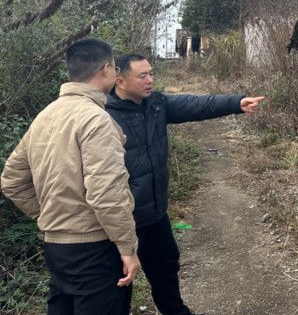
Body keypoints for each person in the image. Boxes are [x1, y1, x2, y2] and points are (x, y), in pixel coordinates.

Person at [105, 53, 264, 315]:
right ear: (120, 80)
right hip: (123, 220)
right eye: (142, 75)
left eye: (151, 73)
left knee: (166, 269)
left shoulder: (155, 104)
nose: (150, 80)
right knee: (119, 284)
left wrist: (236, 102)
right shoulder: (103, 115)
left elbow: (197, 105)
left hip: (156, 214)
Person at [1, 39, 140, 315]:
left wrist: (51, 214)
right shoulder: (96, 120)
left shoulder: (46, 115)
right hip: (95, 250)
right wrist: (127, 248)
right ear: (105, 69)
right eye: (114, 68)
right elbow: (106, 194)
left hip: (55, 247)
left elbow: (11, 180)